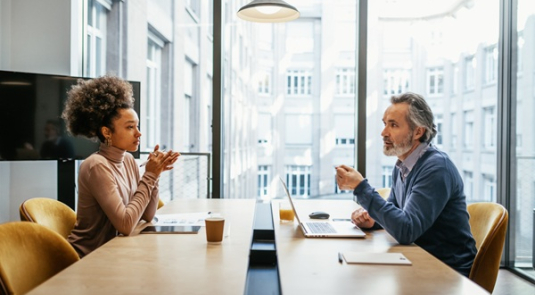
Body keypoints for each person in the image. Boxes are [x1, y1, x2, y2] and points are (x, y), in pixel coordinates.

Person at [335, 92, 477, 277]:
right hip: (418, 259)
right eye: (384, 123)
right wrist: (374, 220)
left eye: (393, 125)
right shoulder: (403, 165)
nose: (384, 132)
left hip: (446, 272)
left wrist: (361, 187)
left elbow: (406, 230)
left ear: (418, 131)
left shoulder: (436, 168)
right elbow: (396, 211)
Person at [61, 75, 180, 258]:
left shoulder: (129, 161)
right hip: (89, 259)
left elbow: (147, 216)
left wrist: (155, 175)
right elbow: (125, 225)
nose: (138, 133)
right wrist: (149, 176)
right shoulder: (96, 166)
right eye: (130, 127)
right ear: (107, 132)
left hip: (117, 252)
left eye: (137, 126)